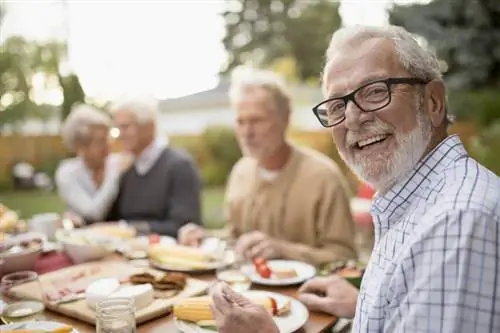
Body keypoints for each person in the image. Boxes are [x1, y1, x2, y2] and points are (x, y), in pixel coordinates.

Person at [210, 24, 500, 333]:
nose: (352, 118)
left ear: (433, 102)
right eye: (337, 105)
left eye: (375, 91)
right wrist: (366, 303)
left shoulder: (456, 223)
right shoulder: (420, 200)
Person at [179, 67, 357, 266]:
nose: (247, 132)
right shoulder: (240, 172)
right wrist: (205, 239)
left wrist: (285, 250)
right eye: (240, 121)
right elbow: (235, 239)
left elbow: (345, 258)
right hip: (245, 292)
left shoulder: (324, 177)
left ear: (285, 119)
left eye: (256, 120)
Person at [104, 96, 202, 237]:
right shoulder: (126, 168)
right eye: (117, 128)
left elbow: (184, 225)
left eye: (125, 127)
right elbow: (111, 220)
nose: (119, 135)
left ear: (149, 127)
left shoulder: (179, 165)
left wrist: (130, 229)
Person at [55, 104, 128, 224]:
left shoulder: (118, 162)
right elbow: (94, 213)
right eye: (101, 140)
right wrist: (115, 176)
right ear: (80, 147)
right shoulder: (67, 173)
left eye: (107, 138)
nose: (108, 145)